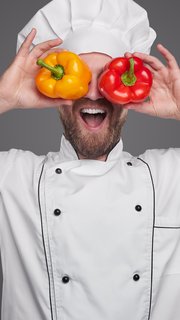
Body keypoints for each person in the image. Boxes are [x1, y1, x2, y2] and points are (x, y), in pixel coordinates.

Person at [0, 0, 180, 319]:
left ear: (131, 96)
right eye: (80, 78)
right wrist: (2, 98)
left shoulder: (170, 178)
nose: (95, 94)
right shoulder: (13, 179)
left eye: (109, 77)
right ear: (55, 94)